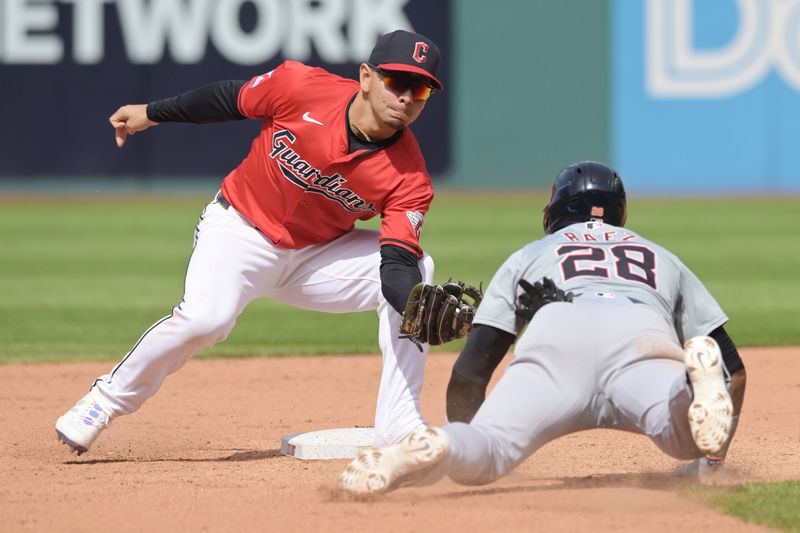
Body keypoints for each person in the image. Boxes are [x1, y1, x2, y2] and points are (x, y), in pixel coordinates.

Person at [55, 30, 447, 455]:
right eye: (397, 81)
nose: (407, 97)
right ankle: (102, 401)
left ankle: (399, 423)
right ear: (367, 77)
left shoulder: (411, 177)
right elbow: (227, 99)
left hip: (315, 258)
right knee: (207, 320)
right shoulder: (302, 87)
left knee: (419, 276)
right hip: (239, 231)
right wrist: (151, 112)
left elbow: (394, 264)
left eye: (420, 88)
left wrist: (416, 303)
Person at [339, 161, 747, 495]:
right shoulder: (660, 256)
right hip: (640, 336)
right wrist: (714, 463)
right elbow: (736, 369)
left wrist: (480, 431)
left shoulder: (532, 254)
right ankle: (687, 391)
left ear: (556, 210)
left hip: (558, 333)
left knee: (487, 451)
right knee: (683, 437)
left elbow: (469, 374)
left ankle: (447, 443)